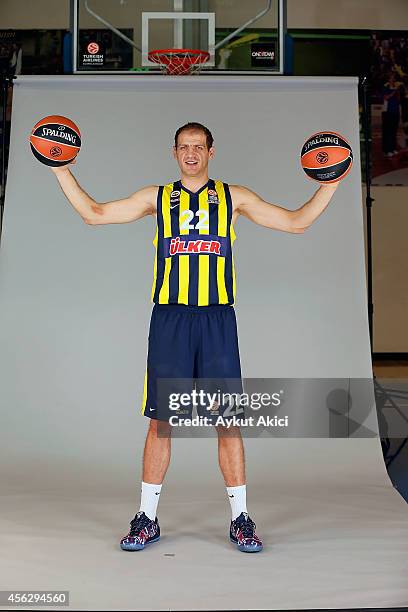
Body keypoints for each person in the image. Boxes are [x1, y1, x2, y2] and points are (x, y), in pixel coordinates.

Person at [51, 122, 339, 553]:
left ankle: (241, 519)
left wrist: (330, 182)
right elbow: (94, 214)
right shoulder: (156, 197)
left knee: (228, 420)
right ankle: (146, 519)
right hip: (170, 320)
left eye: (198, 147)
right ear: (174, 153)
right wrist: (60, 167)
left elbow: (297, 223)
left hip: (217, 321)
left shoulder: (234, 197)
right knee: (161, 422)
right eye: (184, 147)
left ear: (211, 152)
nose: (191, 153)